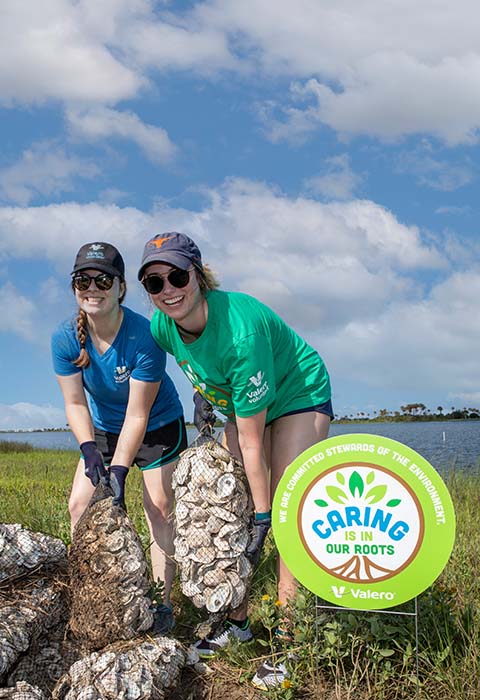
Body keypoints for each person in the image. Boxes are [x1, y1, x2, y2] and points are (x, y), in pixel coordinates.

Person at [137, 231, 333, 688]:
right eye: (154, 283)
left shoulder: (241, 332)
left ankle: (290, 641)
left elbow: (250, 443)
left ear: (199, 276)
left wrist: (263, 515)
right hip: (247, 404)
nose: (168, 290)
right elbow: (199, 366)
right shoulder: (162, 327)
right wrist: (205, 396)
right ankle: (237, 620)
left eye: (177, 276)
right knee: (215, 495)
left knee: (288, 508)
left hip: (297, 393)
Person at [51, 241, 187, 633]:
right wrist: (89, 448)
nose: (92, 288)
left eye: (103, 280)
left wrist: (120, 470)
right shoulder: (65, 338)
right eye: (83, 280)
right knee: (80, 504)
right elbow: (75, 403)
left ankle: (164, 603)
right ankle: (93, 594)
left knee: (159, 506)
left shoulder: (145, 336)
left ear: (120, 288)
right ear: (74, 286)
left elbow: (138, 413)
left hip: (157, 423)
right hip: (103, 427)